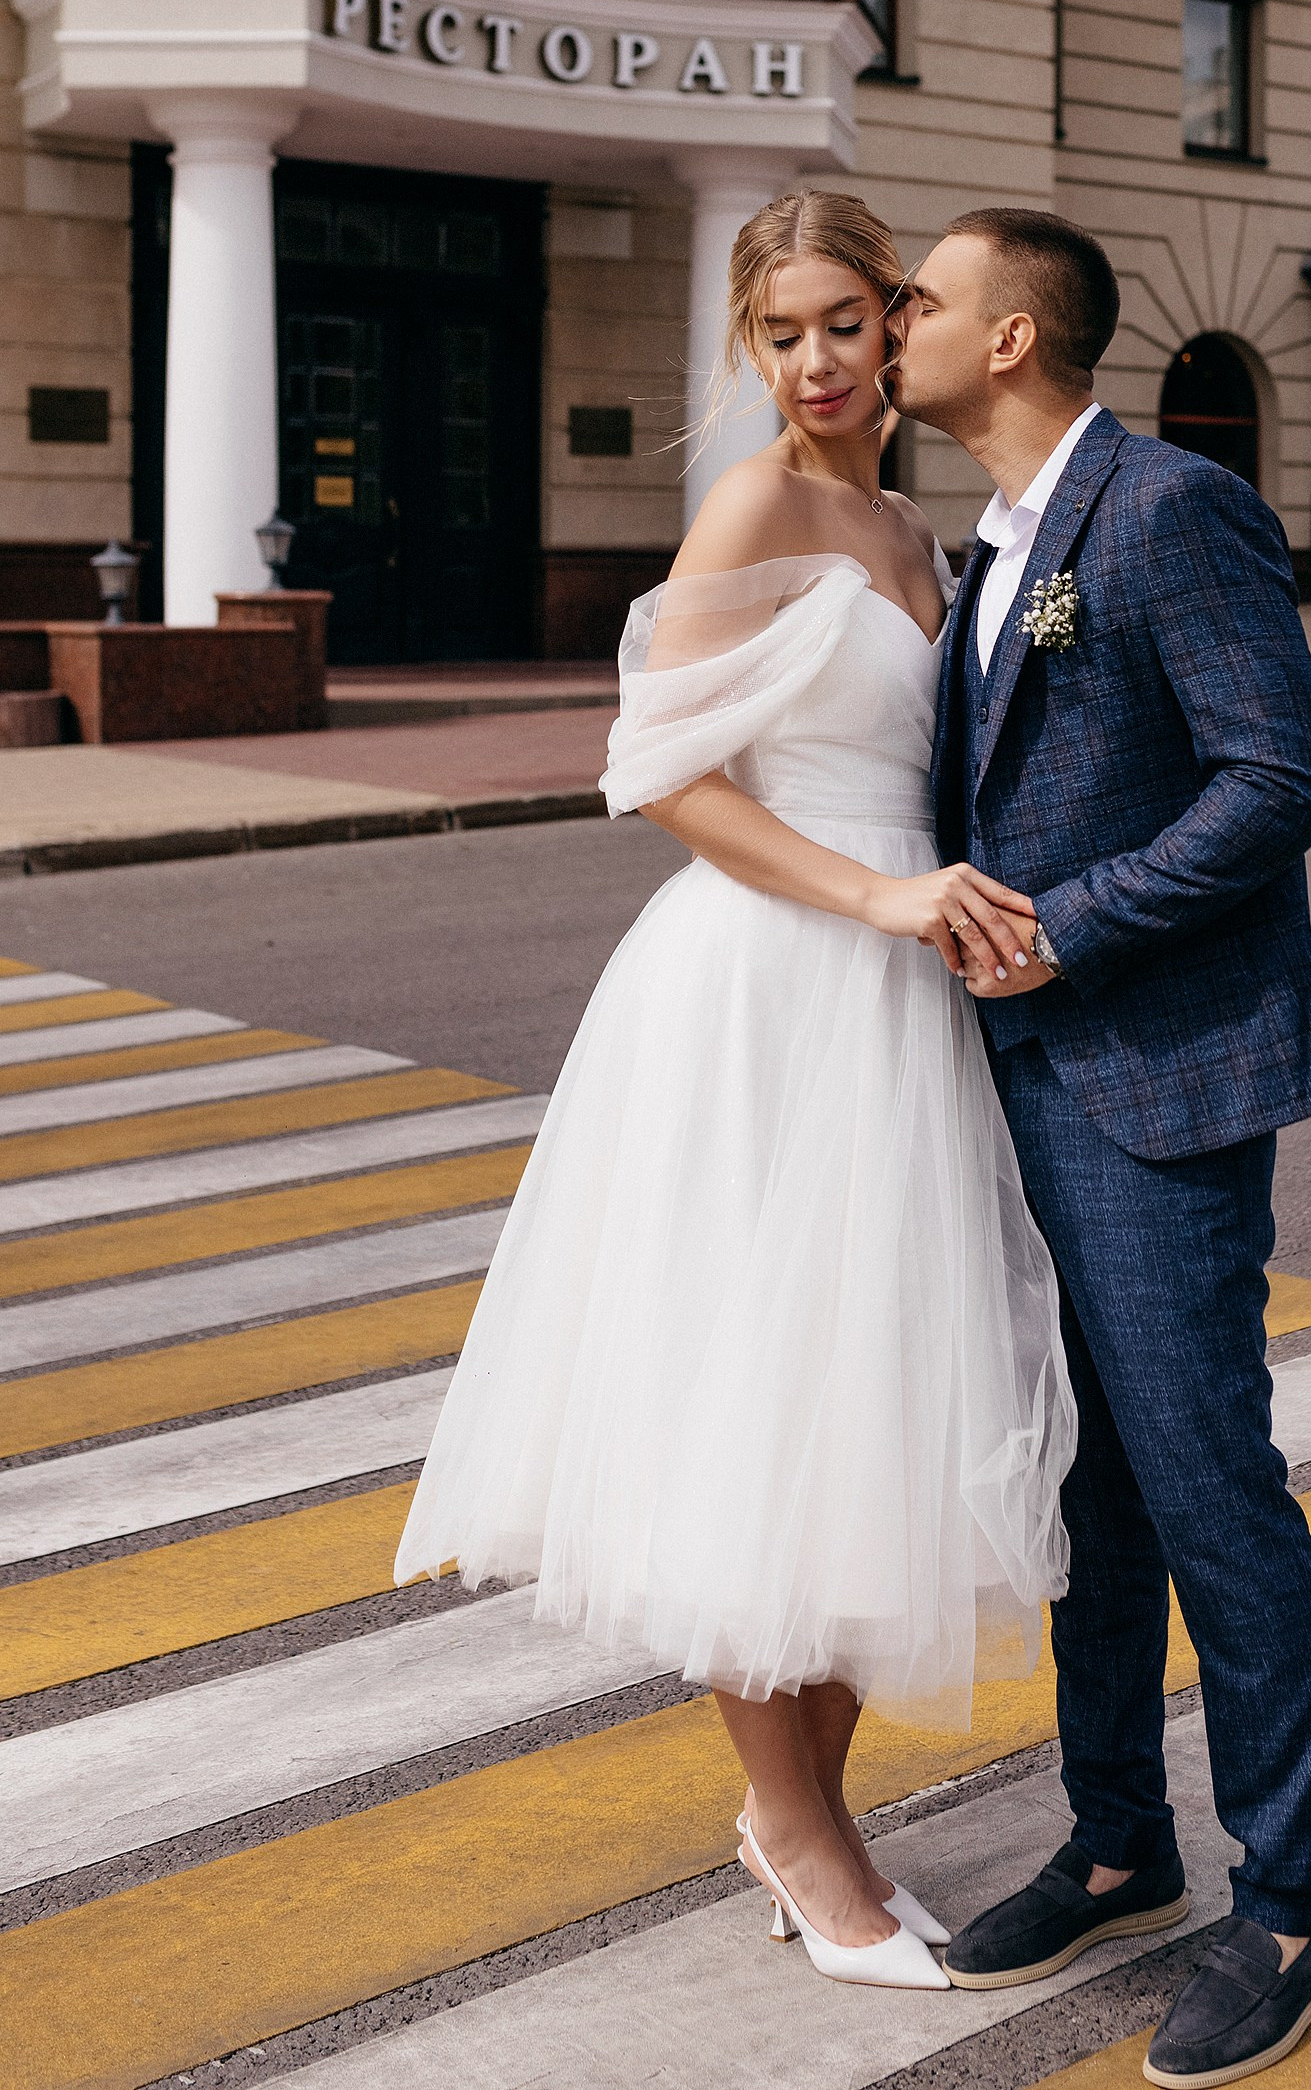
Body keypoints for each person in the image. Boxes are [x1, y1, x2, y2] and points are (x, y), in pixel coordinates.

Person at [395, 190, 1076, 1996]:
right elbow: (658, 775)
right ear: (752, 350)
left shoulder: (915, 523)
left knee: (866, 1413)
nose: (820, 361)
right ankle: (800, 1831)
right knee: (763, 1404)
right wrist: (875, 898)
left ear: (901, 321)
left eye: (849, 322)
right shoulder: (759, 505)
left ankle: (805, 1818)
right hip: (777, 978)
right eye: (783, 333)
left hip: (902, 992)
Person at [896, 210, 1311, 2090]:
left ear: (1011, 337)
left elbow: (1282, 775)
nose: (898, 324)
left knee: (1199, 1478)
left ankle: (1296, 1905)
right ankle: (1113, 1835)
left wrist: (1070, 922)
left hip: (1155, 1076)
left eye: (921, 300)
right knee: (1084, 1485)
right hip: (1009, 1083)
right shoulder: (993, 546)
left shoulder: (1165, 510)